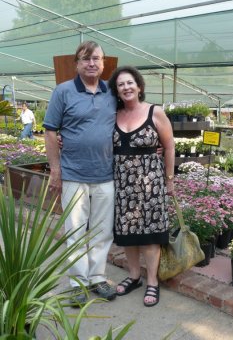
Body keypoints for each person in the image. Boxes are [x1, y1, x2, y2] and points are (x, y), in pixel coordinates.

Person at [43, 40, 117, 307]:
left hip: (106, 175)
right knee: (74, 231)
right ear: (77, 63)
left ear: (104, 62)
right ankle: (78, 284)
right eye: (85, 59)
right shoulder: (63, 92)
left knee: (101, 231)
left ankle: (97, 278)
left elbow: (131, 121)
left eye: (96, 58)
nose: (91, 63)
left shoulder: (113, 92)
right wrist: (55, 170)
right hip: (73, 174)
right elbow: (50, 131)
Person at [108, 65, 175, 307]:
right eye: (120, 84)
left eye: (129, 83)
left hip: (150, 185)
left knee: (150, 237)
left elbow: (169, 146)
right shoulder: (113, 114)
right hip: (122, 185)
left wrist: (169, 180)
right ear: (116, 91)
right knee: (128, 236)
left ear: (139, 87)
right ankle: (134, 276)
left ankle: (152, 282)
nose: (126, 87)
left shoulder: (155, 112)